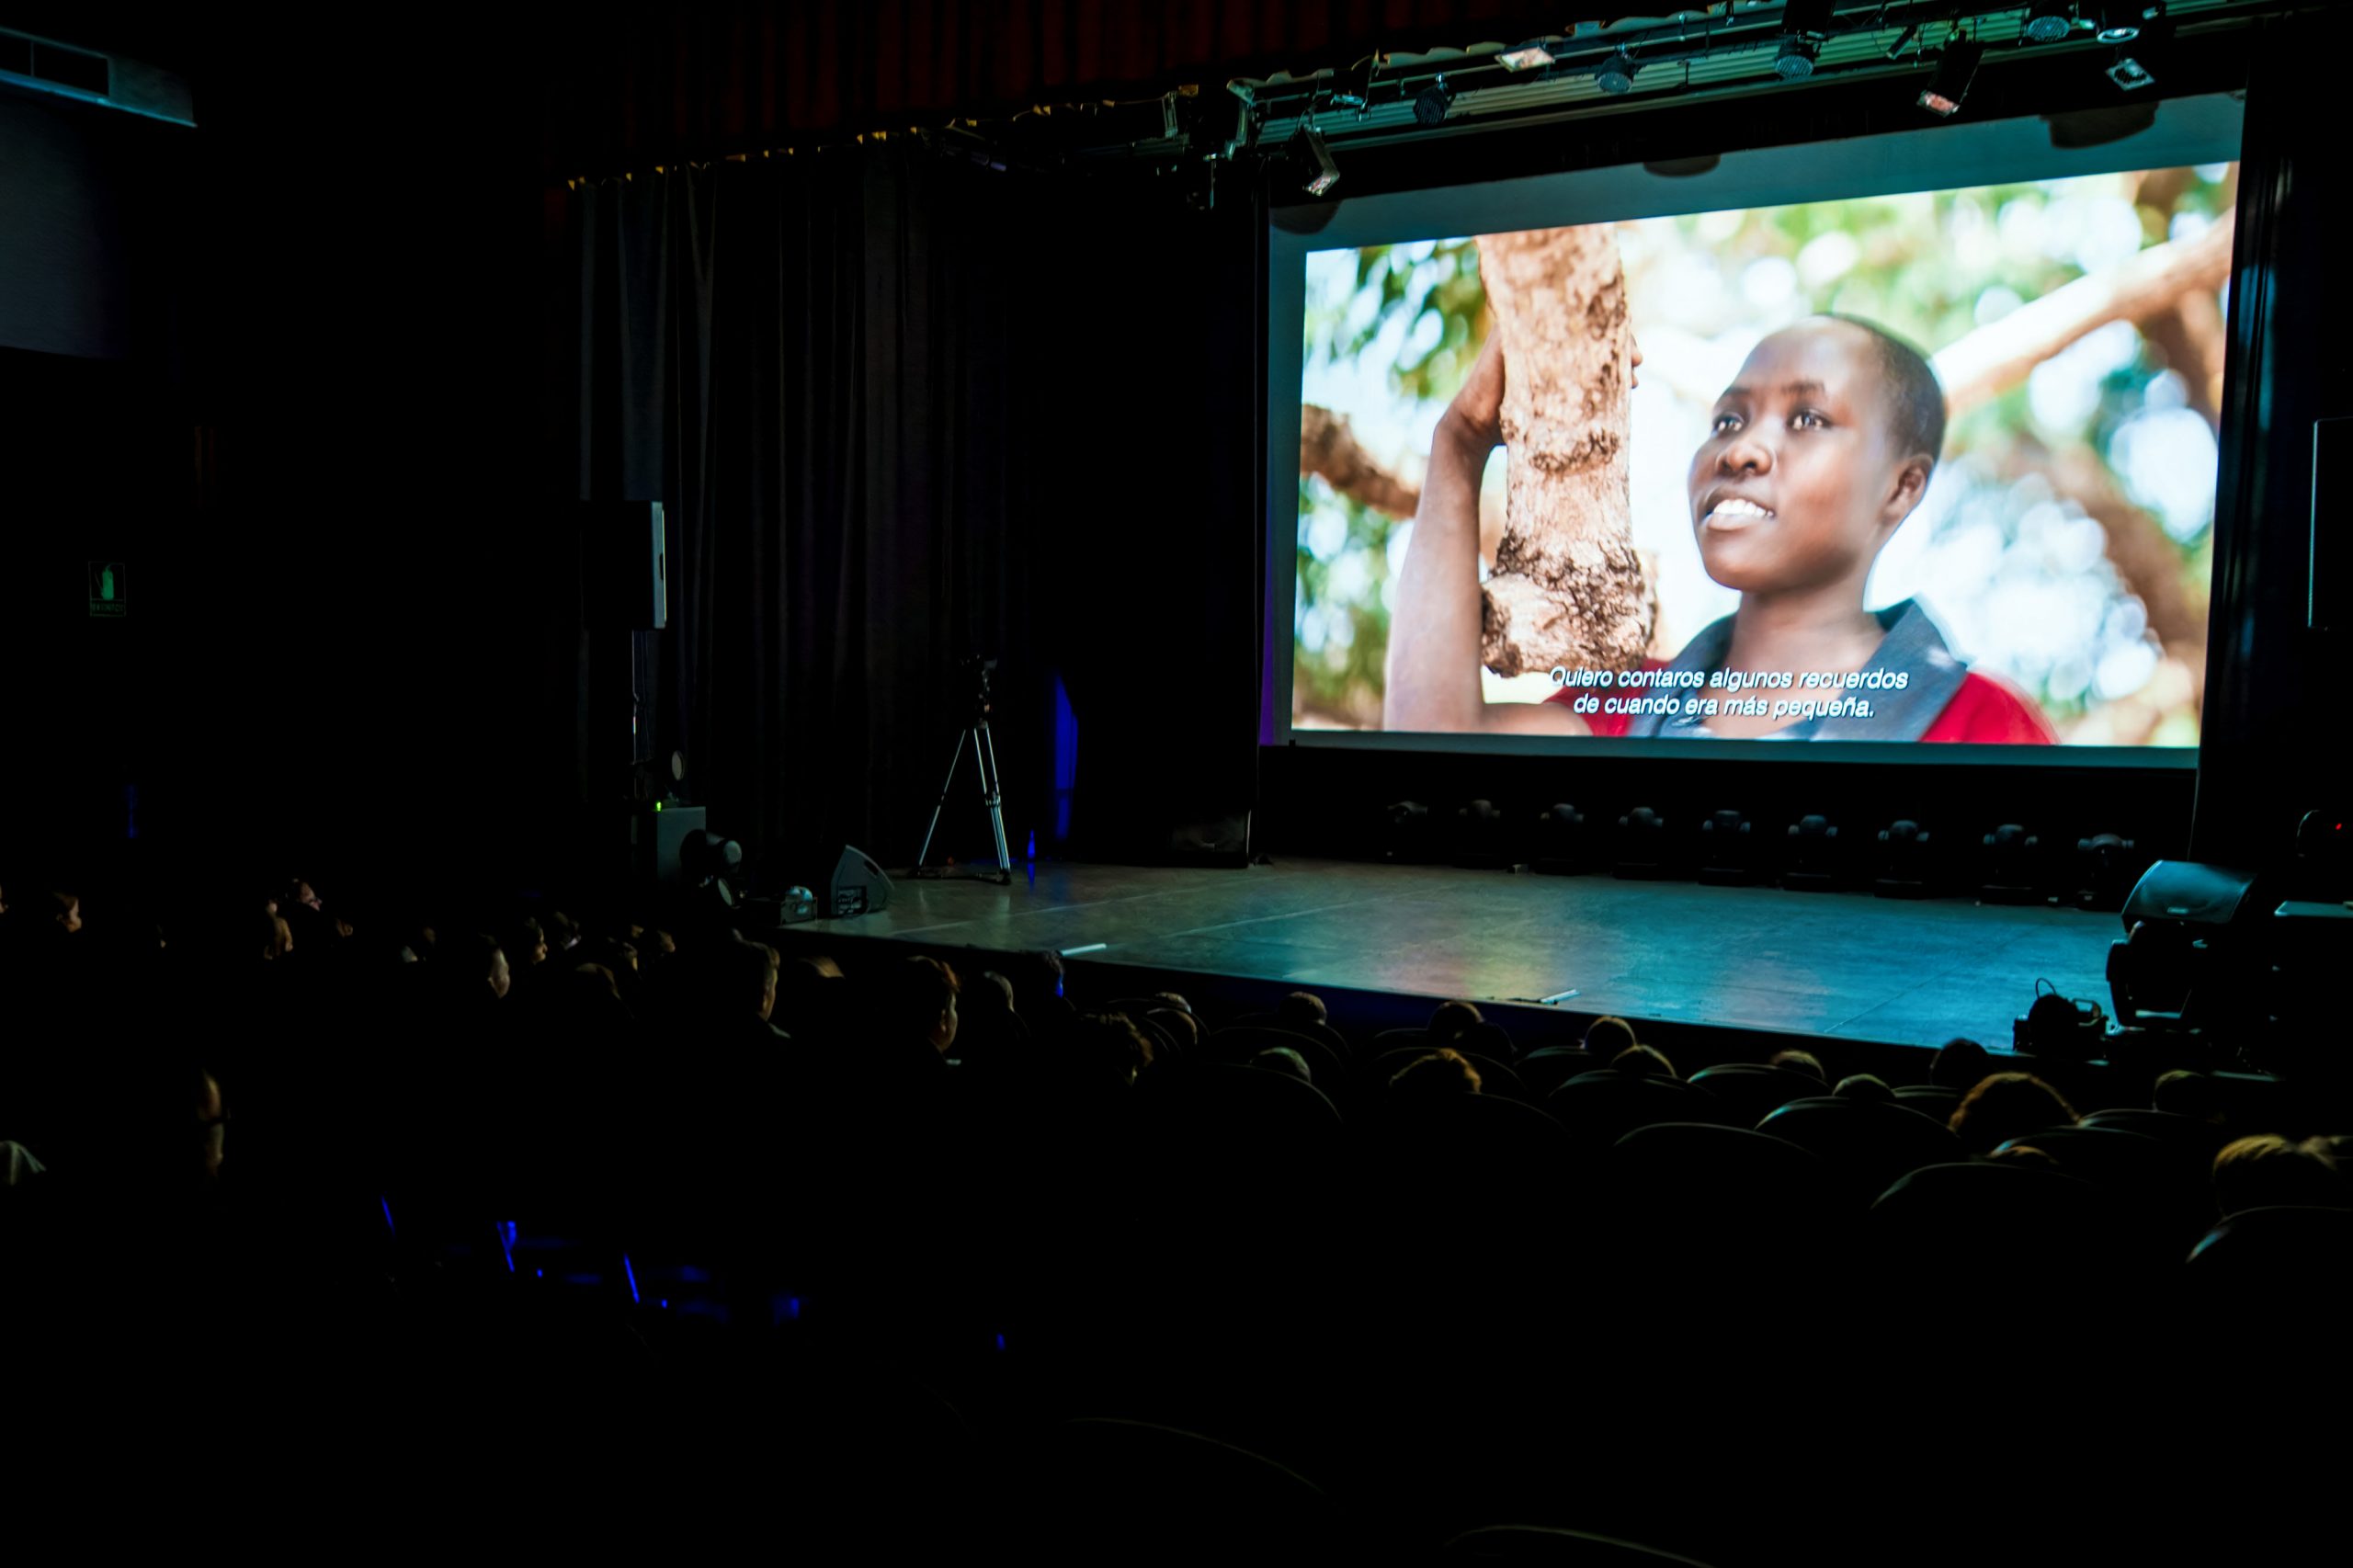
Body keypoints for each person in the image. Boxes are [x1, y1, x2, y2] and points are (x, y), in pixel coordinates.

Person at [1386, 316, 2055, 743]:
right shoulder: (1620, 707)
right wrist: (1461, 442)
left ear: (1902, 487)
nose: (1738, 452)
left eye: (1807, 420)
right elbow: (1427, 737)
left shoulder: (1986, 723)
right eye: (1728, 422)